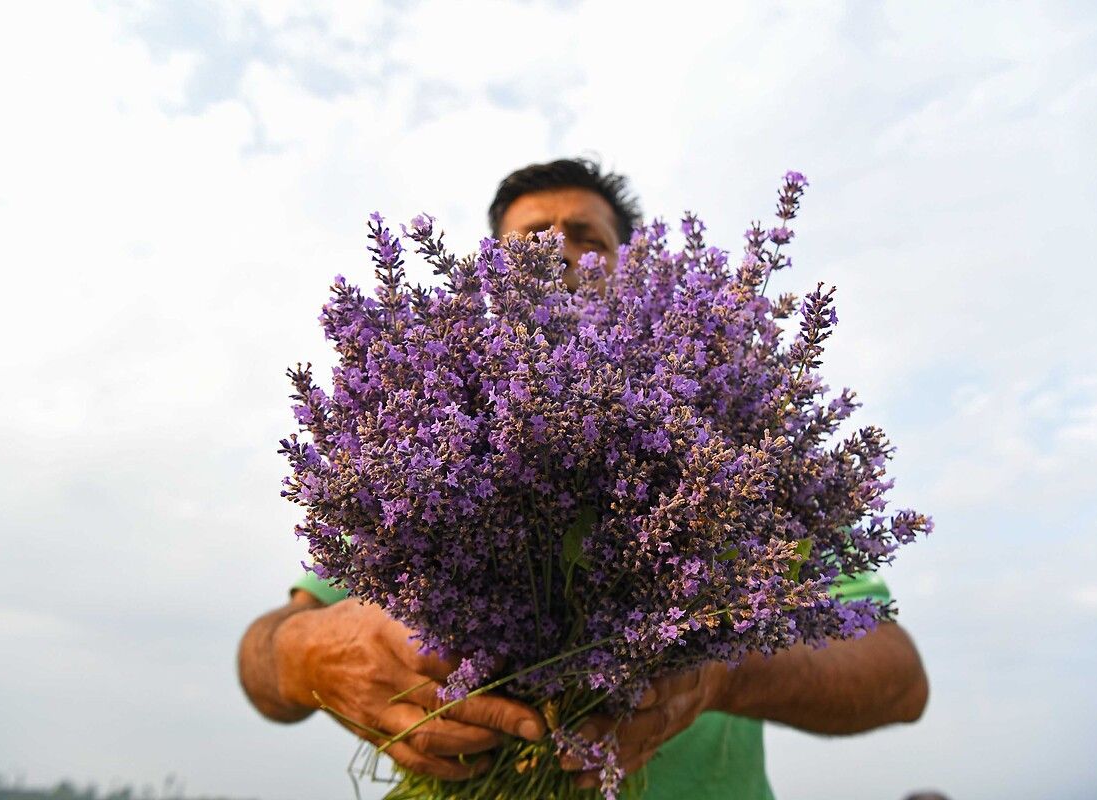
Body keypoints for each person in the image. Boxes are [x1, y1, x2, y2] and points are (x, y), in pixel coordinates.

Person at [237, 158, 929, 797]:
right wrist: (307, 656)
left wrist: (721, 667)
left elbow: (898, 677)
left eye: (585, 235)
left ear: (633, 268)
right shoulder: (424, 438)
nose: (557, 247)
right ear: (492, 271)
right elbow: (263, 658)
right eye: (532, 235)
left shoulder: (738, 434)